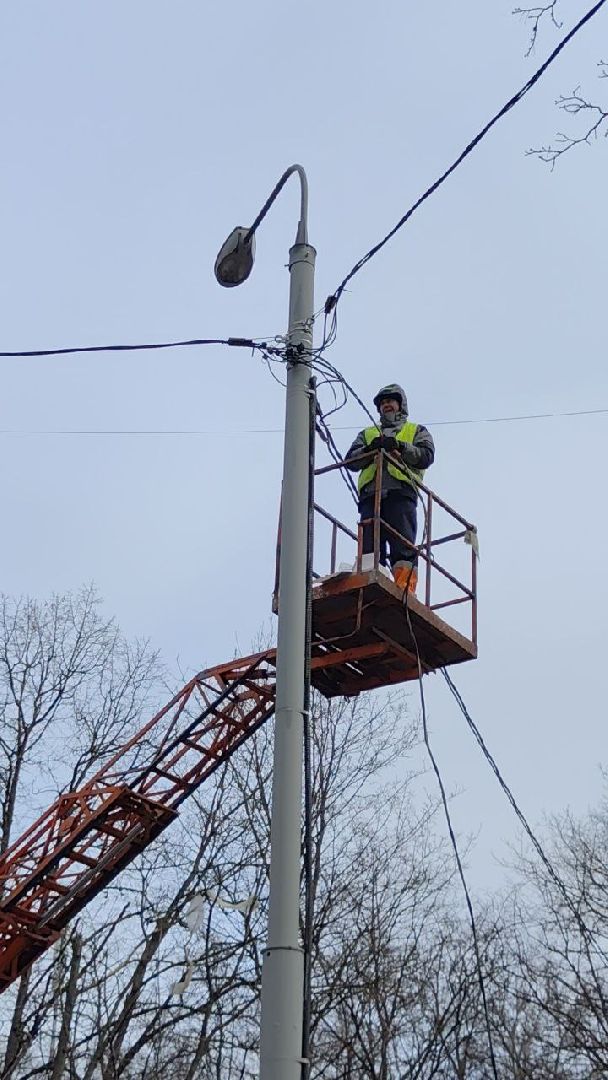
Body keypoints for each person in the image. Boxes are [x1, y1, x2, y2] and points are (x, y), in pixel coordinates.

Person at [344, 383, 435, 593]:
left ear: (400, 405)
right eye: (383, 403)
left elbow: (426, 456)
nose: (386, 406)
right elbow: (350, 461)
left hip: (400, 495)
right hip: (370, 497)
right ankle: (368, 589)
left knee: (402, 547)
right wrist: (370, 449)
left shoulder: (415, 431)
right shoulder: (367, 435)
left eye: (390, 401)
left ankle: (404, 591)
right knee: (369, 548)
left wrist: (400, 446)